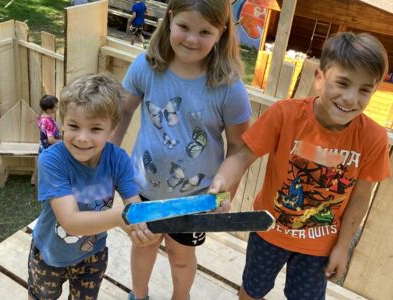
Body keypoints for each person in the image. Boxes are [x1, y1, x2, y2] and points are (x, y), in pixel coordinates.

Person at [209, 32, 390, 300]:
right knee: (252, 290)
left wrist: (342, 247)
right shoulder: (284, 115)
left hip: (320, 246)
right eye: (342, 83)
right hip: (268, 230)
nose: (351, 98)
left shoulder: (373, 138)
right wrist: (221, 183)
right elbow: (242, 156)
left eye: (365, 89)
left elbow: (361, 197)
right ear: (319, 79)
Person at [111, 0, 252, 299]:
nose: (191, 39)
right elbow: (122, 113)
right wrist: (104, 164)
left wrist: (225, 192)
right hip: (143, 189)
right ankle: (139, 294)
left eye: (204, 31)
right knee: (143, 246)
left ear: (221, 32)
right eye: (184, 27)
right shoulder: (146, 65)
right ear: (170, 19)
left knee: (181, 256)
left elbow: (240, 147)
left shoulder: (229, 86)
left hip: (195, 198)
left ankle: (181, 296)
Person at [28, 73, 159, 300]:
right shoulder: (51, 160)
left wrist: (140, 229)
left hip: (93, 254)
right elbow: (70, 221)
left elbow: (133, 209)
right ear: (62, 123)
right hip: (50, 254)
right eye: (74, 126)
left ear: (112, 129)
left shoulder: (118, 159)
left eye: (96, 129)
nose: (82, 138)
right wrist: (121, 217)